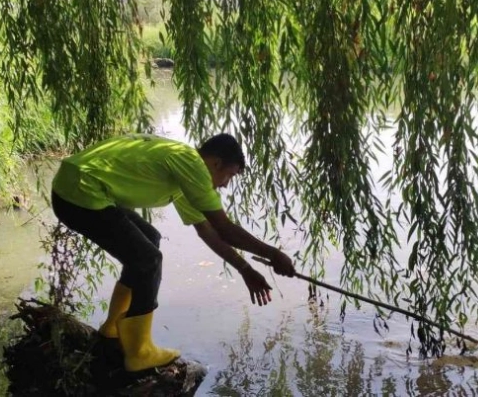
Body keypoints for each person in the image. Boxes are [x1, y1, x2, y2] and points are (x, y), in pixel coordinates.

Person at [50, 133, 295, 372]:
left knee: (150, 240)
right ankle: (139, 353)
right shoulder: (191, 165)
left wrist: (246, 270)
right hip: (80, 192)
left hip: (76, 184)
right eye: (229, 175)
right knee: (148, 260)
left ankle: (112, 329)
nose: (225, 184)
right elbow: (225, 229)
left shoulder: (185, 170)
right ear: (216, 163)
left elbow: (208, 231)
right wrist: (274, 255)